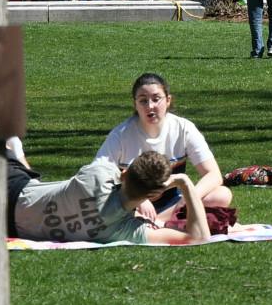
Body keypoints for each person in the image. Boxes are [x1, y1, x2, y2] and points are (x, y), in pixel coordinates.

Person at [96, 73, 235, 218]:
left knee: (222, 195)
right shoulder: (121, 134)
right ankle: (160, 221)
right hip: (131, 205)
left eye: (156, 99)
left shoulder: (183, 128)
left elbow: (213, 175)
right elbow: (98, 175)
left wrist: (188, 198)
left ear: (168, 100)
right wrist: (138, 199)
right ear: (135, 104)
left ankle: (156, 221)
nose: (150, 106)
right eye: (143, 101)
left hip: (173, 203)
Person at [11, 150, 211, 245]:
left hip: (14, 186)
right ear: (155, 194)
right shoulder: (123, 231)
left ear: (124, 173)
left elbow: (115, 174)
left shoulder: (98, 175)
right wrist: (183, 181)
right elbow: (199, 237)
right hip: (6, 224)